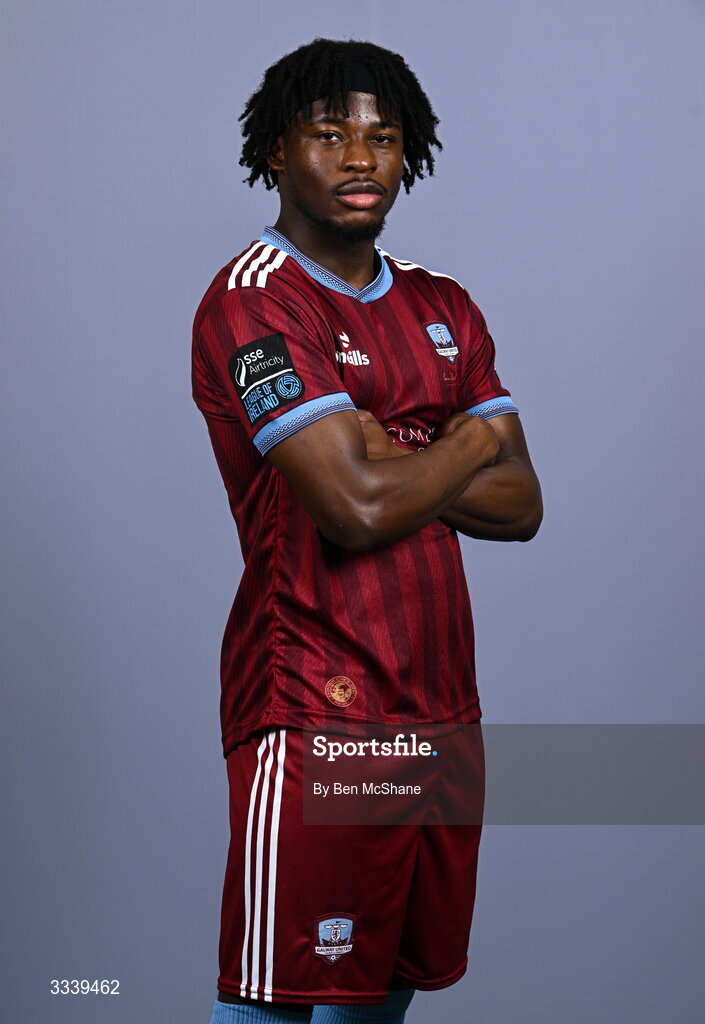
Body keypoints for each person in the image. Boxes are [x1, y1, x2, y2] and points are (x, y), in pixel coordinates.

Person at [192, 37, 542, 1024]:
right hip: (316, 708)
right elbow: (353, 508)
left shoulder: (443, 304)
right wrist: (463, 440)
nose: (359, 159)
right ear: (276, 151)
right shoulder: (255, 299)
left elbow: (525, 504)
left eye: (382, 139)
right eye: (330, 133)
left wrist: (388, 446)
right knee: (278, 998)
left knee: (384, 995)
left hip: (443, 715)